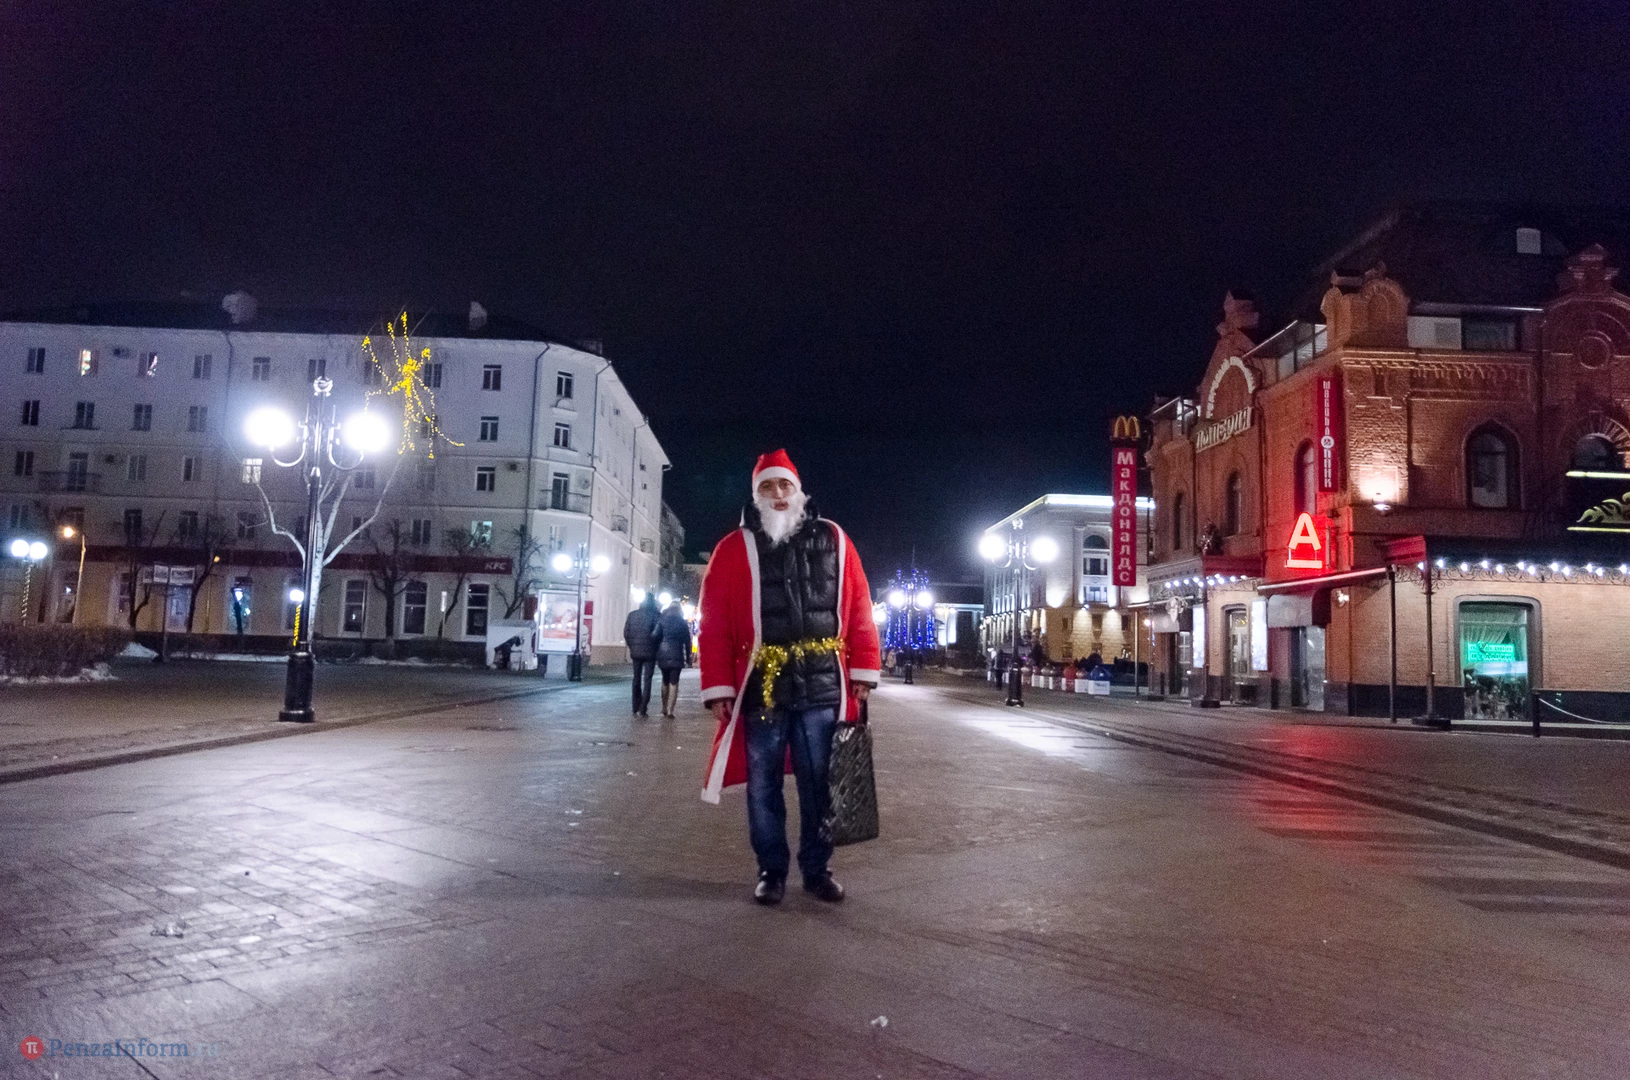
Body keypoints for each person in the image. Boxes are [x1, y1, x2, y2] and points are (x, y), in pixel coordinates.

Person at [698, 450, 881, 906]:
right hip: (762, 686)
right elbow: (713, 623)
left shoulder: (835, 540)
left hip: (822, 684)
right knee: (763, 783)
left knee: (820, 783)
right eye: (767, 486)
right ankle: (771, 870)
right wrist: (719, 687)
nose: (778, 494)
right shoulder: (733, 548)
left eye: (785, 485)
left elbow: (860, 606)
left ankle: (818, 869)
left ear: (798, 490)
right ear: (756, 495)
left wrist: (862, 671)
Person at [652, 596, 692, 719]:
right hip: (677, 655)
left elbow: (654, 635)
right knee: (674, 682)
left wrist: (657, 648)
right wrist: (688, 658)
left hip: (663, 653)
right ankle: (670, 710)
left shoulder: (662, 619)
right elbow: (687, 642)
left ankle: (664, 707)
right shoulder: (682, 622)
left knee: (665, 680)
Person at [622, 591, 660, 717]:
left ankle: (635, 705)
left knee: (636, 678)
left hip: (635, 652)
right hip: (650, 652)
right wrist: (655, 646)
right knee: (647, 679)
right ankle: (643, 707)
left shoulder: (632, 615)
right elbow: (658, 633)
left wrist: (632, 646)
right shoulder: (656, 615)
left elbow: (626, 633)